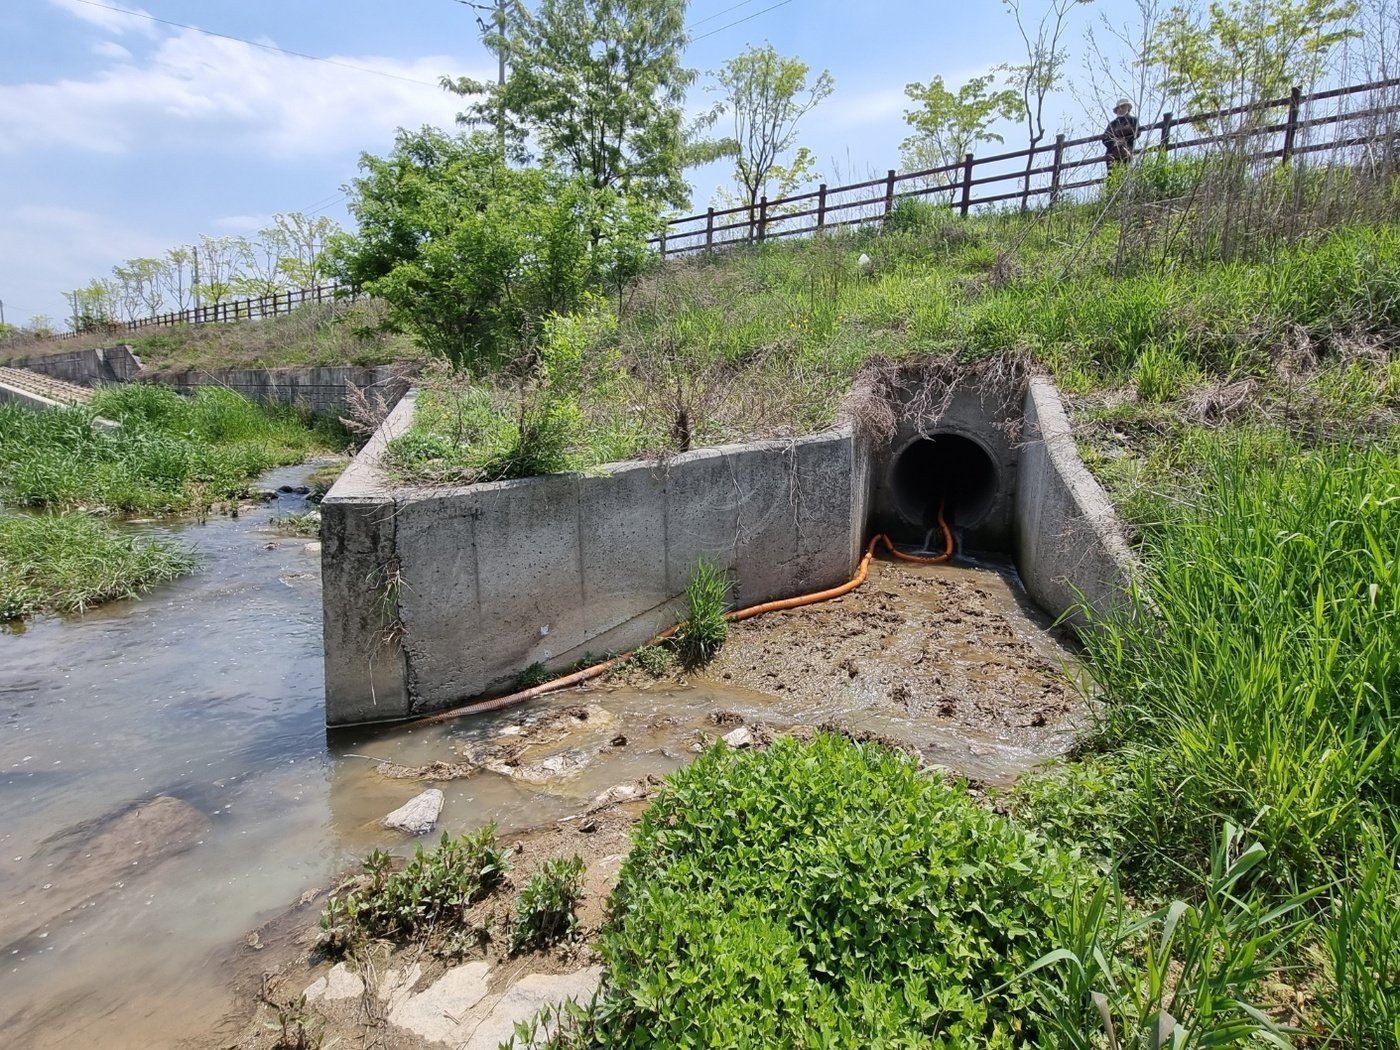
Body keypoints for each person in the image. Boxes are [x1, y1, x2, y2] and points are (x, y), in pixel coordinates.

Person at [1102, 99, 1139, 172]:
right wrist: (1114, 142)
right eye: (1118, 108)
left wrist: (1125, 140)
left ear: (1128, 108)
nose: (1120, 109)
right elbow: (1104, 138)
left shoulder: (1133, 120)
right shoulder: (1112, 124)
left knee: (1126, 172)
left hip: (1127, 151)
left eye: (1123, 106)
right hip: (1112, 153)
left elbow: (1137, 133)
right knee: (1112, 176)